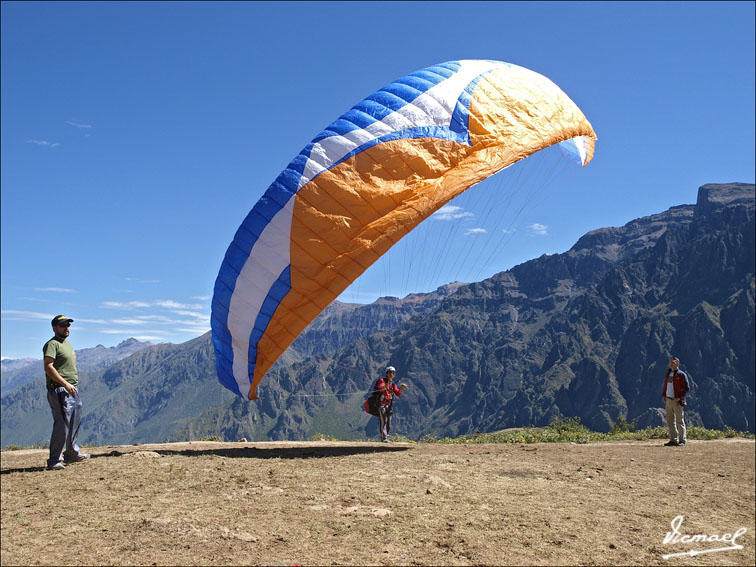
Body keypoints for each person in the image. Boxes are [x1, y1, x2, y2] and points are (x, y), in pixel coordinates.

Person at [43, 315, 90, 470]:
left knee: (75, 422)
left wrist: (71, 385)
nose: (67, 328)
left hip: (72, 389)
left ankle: (72, 454)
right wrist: (65, 384)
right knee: (62, 425)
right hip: (60, 390)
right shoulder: (52, 344)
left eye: (68, 325)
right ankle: (54, 460)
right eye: (63, 325)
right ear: (54, 327)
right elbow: (49, 367)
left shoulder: (67, 345)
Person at [662, 356, 691, 447]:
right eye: (670, 362)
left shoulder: (681, 375)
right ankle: (673, 440)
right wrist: (664, 395)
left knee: (679, 421)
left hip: (677, 401)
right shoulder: (668, 374)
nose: (671, 364)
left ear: (678, 364)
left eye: (673, 362)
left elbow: (687, 388)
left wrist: (679, 397)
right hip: (669, 400)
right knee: (670, 421)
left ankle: (682, 440)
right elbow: (666, 386)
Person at [374, 366, 407, 442]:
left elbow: (398, 394)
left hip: (389, 405)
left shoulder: (393, 384)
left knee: (389, 422)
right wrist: (388, 383)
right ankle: (384, 438)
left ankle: (386, 437)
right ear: (387, 374)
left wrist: (401, 388)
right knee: (384, 421)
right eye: (391, 372)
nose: (392, 374)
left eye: (393, 373)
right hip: (381, 404)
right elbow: (381, 388)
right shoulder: (382, 381)